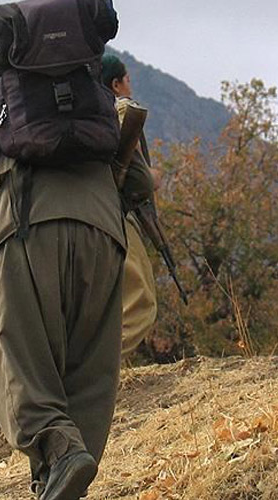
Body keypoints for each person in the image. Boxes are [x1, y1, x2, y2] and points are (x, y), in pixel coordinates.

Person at [0, 51, 125, 500]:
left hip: (25, 228)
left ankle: (59, 451)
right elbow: (138, 182)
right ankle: (58, 482)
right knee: (89, 371)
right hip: (105, 238)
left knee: (14, 359)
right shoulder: (101, 100)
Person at [101, 54, 161, 360]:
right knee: (140, 304)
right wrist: (153, 177)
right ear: (115, 84)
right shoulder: (122, 111)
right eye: (127, 80)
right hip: (113, 216)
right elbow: (134, 177)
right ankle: (97, 374)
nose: (130, 86)